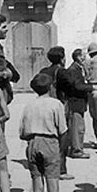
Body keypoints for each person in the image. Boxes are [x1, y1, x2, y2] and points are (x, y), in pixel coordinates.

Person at [19, 73, 72, 192]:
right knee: (53, 189)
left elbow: (22, 133)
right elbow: (63, 130)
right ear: (50, 87)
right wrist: (61, 151)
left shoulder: (29, 105)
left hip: (33, 143)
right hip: (50, 142)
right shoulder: (56, 104)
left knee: (37, 185)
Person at [39, 46, 73, 180]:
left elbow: (34, 83)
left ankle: (44, 165)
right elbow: (71, 85)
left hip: (44, 106)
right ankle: (61, 169)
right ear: (62, 58)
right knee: (62, 138)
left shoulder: (44, 71)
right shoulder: (62, 72)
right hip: (59, 106)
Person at [64, 49, 97, 159]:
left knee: (78, 126)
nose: (85, 58)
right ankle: (76, 149)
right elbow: (77, 86)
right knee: (77, 127)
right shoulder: (74, 70)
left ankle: (76, 147)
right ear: (78, 57)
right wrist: (91, 87)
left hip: (79, 102)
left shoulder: (79, 68)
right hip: (75, 102)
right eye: (83, 56)